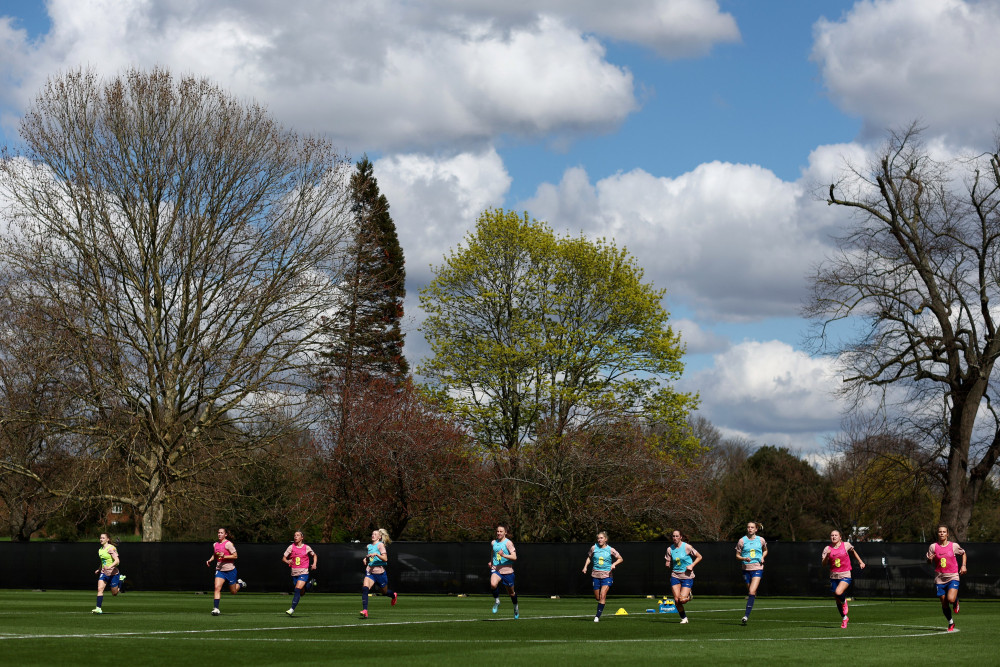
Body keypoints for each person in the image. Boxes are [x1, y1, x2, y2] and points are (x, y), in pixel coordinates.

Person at [926, 524, 967, 632]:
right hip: (940, 578)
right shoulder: (933, 547)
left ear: (947, 534)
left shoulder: (953, 546)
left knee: (951, 599)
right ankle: (951, 622)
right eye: (940, 532)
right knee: (944, 604)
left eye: (944, 532)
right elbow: (929, 561)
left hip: (953, 576)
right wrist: (929, 559)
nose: (942, 533)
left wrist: (963, 566)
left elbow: (963, 553)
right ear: (938, 534)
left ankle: (955, 600)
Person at [821, 529, 865, 629]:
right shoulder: (827, 549)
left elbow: (853, 552)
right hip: (833, 576)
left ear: (840, 537)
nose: (834, 537)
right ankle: (844, 618)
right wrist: (827, 555)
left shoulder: (846, 545)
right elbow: (823, 564)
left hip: (845, 574)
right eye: (832, 535)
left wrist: (860, 562)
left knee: (838, 592)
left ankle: (844, 602)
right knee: (837, 600)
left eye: (836, 535)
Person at [582, 530, 623, 623]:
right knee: (598, 597)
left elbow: (620, 558)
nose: (599, 540)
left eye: (601, 538)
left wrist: (614, 564)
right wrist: (585, 567)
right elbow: (589, 557)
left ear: (606, 539)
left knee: (603, 595)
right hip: (595, 575)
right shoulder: (593, 548)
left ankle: (597, 616)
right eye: (598, 538)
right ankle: (600, 606)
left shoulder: (610, 549)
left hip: (607, 576)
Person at [206, 527, 247, 615]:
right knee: (217, 588)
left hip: (230, 570)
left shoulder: (228, 544)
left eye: (221, 533)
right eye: (218, 533)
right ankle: (216, 608)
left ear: (225, 535)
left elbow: (235, 556)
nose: (219, 534)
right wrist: (210, 560)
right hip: (220, 570)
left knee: (233, 592)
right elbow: (215, 555)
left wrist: (225, 556)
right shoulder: (215, 544)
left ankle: (240, 583)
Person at [664, 529, 702, 624]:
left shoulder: (687, 547)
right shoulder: (670, 549)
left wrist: (692, 565)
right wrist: (667, 563)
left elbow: (699, 557)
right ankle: (684, 618)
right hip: (675, 575)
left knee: (682, 600)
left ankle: (689, 596)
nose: (675, 538)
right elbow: (668, 560)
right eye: (673, 536)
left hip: (687, 576)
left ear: (681, 537)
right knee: (677, 600)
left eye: (677, 536)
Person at [360, 528, 397, 618]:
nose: (373, 535)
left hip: (380, 573)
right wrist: (365, 558)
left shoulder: (380, 545)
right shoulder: (369, 546)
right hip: (370, 571)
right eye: (372, 534)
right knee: (365, 588)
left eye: (375, 534)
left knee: (384, 592)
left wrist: (376, 554)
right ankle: (365, 610)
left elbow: (385, 559)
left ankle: (393, 595)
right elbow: (370, 556)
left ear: (379, 537)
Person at [736, 521, 767, 625]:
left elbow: (765, 550)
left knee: (751, 592)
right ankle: (752, 596)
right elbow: (737, 555)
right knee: (750, 590)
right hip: (746, 568)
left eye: (752, 527)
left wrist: (762, 557)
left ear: (756, 529)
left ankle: (745, 616)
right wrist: (744, 558)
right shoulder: (742, 541)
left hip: (758, 568)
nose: (750, 529)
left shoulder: (761, 540)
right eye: (748, 527)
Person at [282, 530, 318, 616]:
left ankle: (292, 609)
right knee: (301, 593)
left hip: (304, 572)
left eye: (297, 535)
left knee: (297, 590)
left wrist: (314, 564)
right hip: (294, 573)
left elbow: (314, 555)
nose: (295, 537)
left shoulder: (306, 547)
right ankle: (310, 583)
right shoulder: (291, 547)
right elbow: (283, 558)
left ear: (302, 537)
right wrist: (287, 561)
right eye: (294, 535)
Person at [489, 524, 519, 619]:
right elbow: (493, 552)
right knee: (493, 584)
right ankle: (497, 601)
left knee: (511, 593)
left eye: (501, 531)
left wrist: (504, 555)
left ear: (505, 532)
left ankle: (515, 607)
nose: (499, 533)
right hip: (496, 569)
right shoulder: (494, 542)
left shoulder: (508, 543)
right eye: (497, 531)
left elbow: (514, 557)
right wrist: (491, 561)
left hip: (508, 572)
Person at [92, 533, 125, 614]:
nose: (101, 539)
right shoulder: (100, 550)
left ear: (108, 539)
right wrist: (99, 569)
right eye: (100, 538)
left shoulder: (111, 548)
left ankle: (120, 580)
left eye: (103, 538)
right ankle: (98, 608)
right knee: (100, 589)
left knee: (114, 593)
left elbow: (117, 561)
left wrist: (110, 567)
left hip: (113, 573)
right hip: (104, 573)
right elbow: (102, 562)